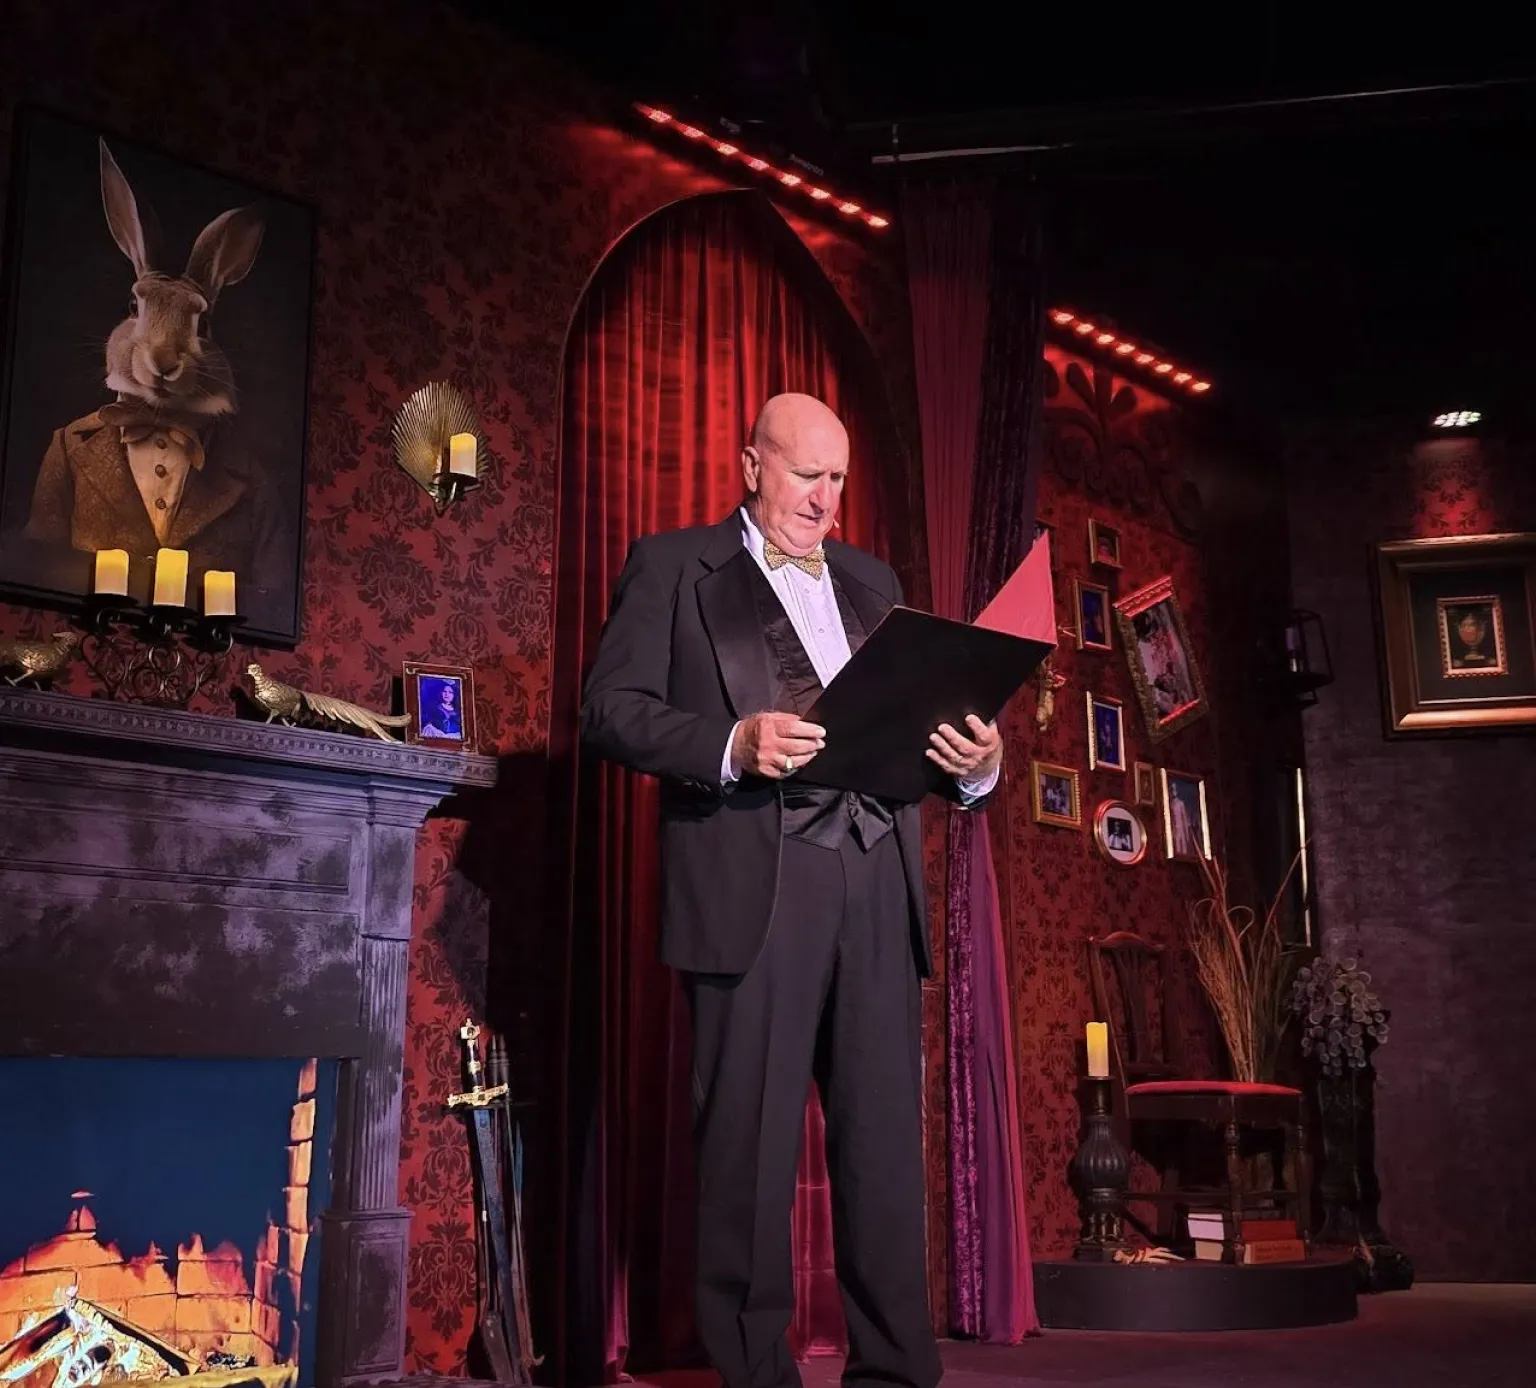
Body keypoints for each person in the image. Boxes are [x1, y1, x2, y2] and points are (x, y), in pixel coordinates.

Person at [581, 393, 1003, 1388]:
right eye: (807, 475)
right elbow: (609, 709)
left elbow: (910, 729)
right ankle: (754, 1373)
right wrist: (729, 742)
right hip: (752, 882)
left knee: (881, 1150)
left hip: (874, 876)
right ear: (751, 464)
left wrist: (974, 762)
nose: (826, 499)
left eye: (840, 480)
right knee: (748, 1153)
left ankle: (898, 1370)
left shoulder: (873, 579)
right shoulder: (673, 566)